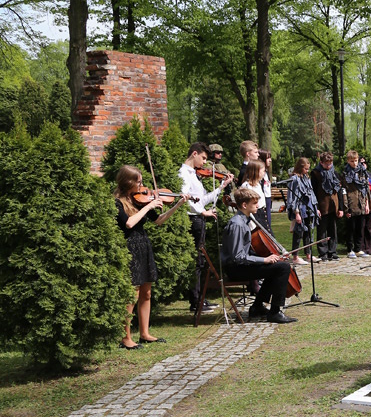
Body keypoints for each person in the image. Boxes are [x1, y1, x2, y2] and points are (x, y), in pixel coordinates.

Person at [115, 165, 189, 349]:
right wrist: (148, 206)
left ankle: (145, 333)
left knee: (146, 293)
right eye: (138, 181)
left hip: (143, 246)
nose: (142, 185)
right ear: (128, 182)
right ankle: (126, 338)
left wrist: (178, 205)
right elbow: (129, 223)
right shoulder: (117, 202)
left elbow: (159, 221)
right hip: (129, 247)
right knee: (132, 295)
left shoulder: (139, 200)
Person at [221, 186, 296, 324]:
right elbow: (237, 257)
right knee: (283, 268)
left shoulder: (245, 221)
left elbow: (246, 252)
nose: (258, 206)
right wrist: (264, 259)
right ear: (244, 205)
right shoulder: (237, 224)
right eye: (254, 203)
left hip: (241, 266)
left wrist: (270, 257)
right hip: (235, 269)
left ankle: (257, 307)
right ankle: (275, 312)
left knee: (276, 266)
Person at [179, 142, 232, 314]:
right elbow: (185, 199)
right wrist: (203, 212)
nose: (204, 163)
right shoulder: (184, 173)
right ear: (194, 154)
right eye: (203, 158)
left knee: (200, 262)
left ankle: (200, 299)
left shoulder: (194, 174)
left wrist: (222, 187)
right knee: (197, 262)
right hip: (194, 220)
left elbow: (202, 199)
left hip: (199, 218)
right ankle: (195, 302)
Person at [341, 150, 371, 257]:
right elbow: (344, 191)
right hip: (351, 203)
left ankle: (358, 248)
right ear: (348, 161)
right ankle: (350, 249)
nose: (354, 163)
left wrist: (367, 204)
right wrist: (346, 208)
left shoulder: (362, 172)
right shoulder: (345, 173)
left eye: (355, 161)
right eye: (352, 161)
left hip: (361, 202)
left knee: (360, 227)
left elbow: (366, 189)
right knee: (351, 228)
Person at [286, 158, 319, 265]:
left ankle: (308, 255)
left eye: (308, 169)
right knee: (298, 233)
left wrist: (316, 208)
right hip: (300, 210)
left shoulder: (306, 178)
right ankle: (295, 257)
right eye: (305, 169)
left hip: (309, 209)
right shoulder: (294, 179)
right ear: (300, 167)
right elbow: (292, 197)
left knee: (308, 233)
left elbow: (311, 193)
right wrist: (296, 213)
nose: (307, 171)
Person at [309, 152, 341, 261]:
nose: (329, 166)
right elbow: (313, 191)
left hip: (333, 205)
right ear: (321, 163)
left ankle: (333, 251)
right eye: (326, 164)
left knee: (333, 229)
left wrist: (340, 207)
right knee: (322, 230)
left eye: (330, 163)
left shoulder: (335, 173)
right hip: (322, 205)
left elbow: (338, 191)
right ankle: (323, 252)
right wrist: (316, 207)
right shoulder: (315, 173)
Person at [238, 141, 272, 230]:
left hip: (262, 211)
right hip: (255, 216)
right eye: (256, 152)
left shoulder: (257, 182)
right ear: (248, 154)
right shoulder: (245, 173)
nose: (258, 155)